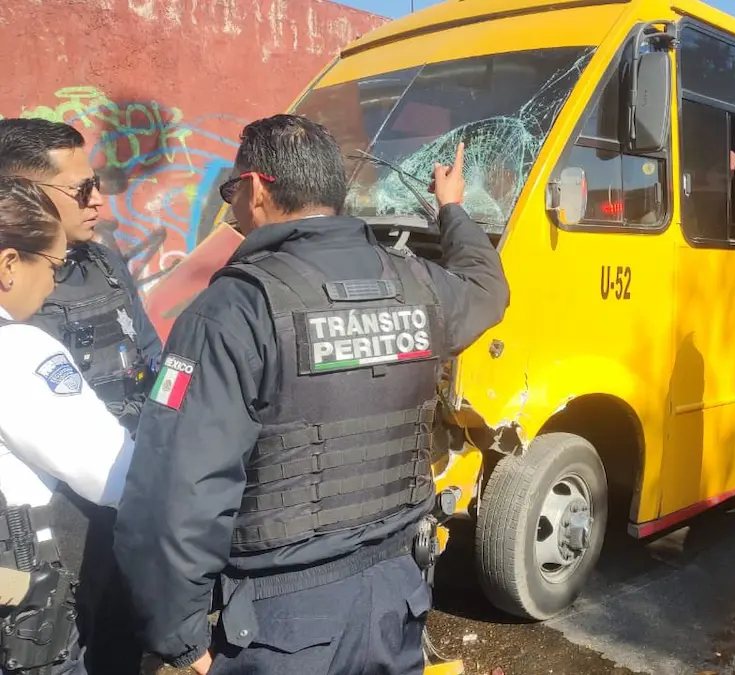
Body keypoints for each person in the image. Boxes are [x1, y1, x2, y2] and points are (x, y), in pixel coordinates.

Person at [113, 114, 510, 675]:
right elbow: (487, 288)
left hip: (283, 623)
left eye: (231, 191)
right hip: (400, 597)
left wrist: (177, 638)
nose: (229, 208)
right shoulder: (419, 283)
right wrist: (451, 208)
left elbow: (176, 486)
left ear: (255, 188)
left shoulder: (232, 310)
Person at [0, 117, 155, 675]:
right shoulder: (17, 326)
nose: (99, 202)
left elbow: (150, 359)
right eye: (81, 189)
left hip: (125, 510)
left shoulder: (108, 264)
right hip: (55, 535)